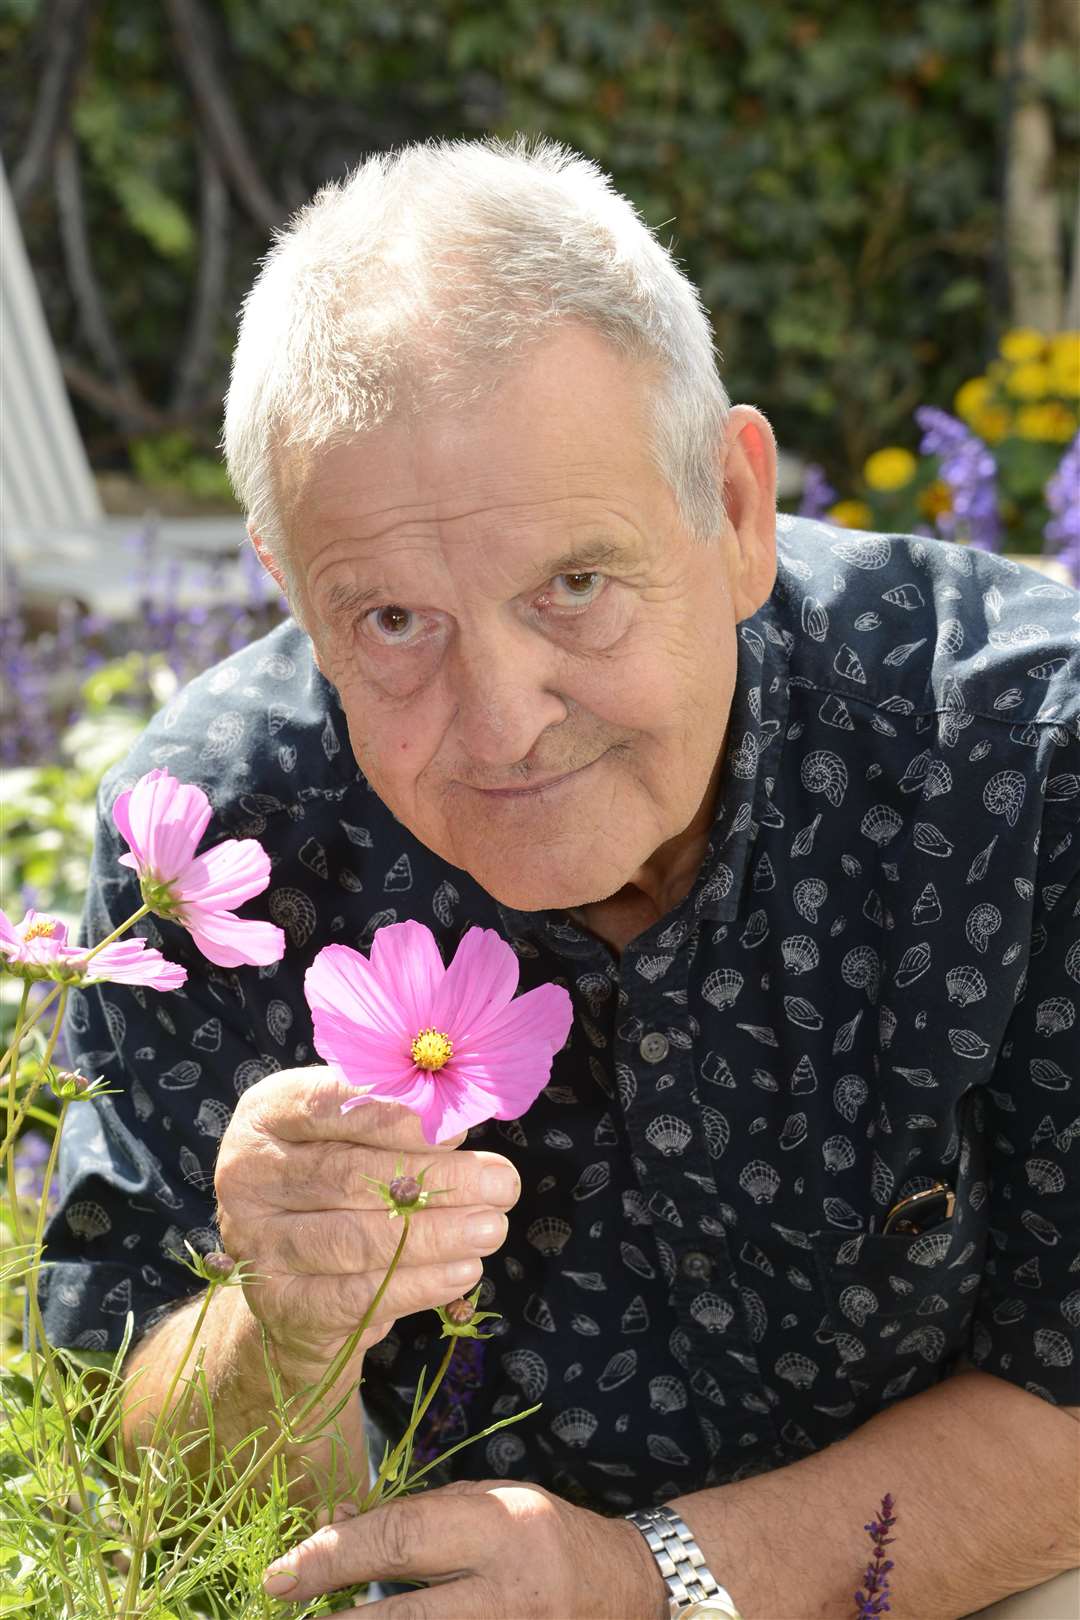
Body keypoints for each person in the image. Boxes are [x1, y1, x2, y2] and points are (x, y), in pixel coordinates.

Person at [40, 136, 1079, 1618]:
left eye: (574, 587)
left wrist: (648, 1583)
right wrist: (283, 1329)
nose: (503, 719)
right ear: (285, 581)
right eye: (394, 619)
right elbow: (124, 1446)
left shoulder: (1026, 755)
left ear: (734, 509)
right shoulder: (218, 842)